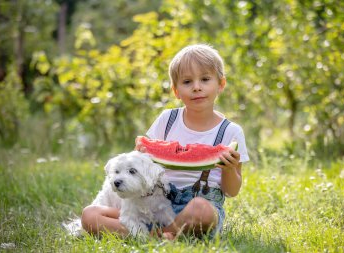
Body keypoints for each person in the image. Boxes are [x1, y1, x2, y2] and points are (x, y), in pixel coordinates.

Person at [81, 44, 249, 239]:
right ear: (176, 91)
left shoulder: (230, 131)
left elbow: (232, 191)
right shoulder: (166, 120)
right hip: (156, 205)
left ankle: (148, 235)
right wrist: (140, 154)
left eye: (205, 79)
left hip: (196, 210)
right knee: (90, 215)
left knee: (202, 209)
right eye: (187, 82)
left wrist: (229, 168)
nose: (196, 87)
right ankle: (163, 236)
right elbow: (145, 164)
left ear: (220, 84)